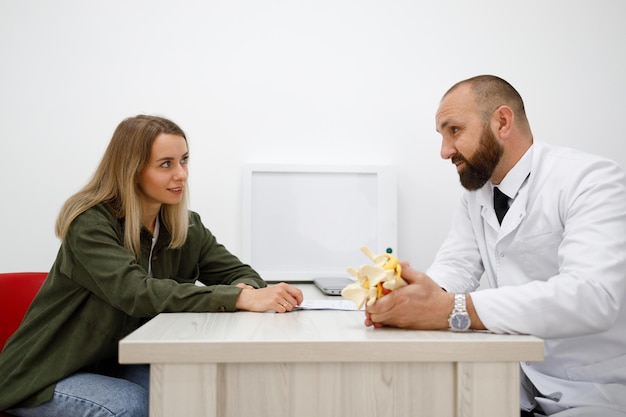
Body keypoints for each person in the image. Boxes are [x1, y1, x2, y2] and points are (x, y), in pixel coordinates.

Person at [0, 115, 304, 417]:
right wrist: (236, 297)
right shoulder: (90, 225)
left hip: (112, 363)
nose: (182, 174)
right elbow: (136, 293)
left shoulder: (185, 226)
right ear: (132, 171)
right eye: (166, 164)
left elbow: (241, 274)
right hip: (45, 375)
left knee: (191, 387)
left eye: (184, 160)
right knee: (130, 404)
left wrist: (246, 290)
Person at [365, 75, 626, 416]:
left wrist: (449, 309)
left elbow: (592, 297)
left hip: (591, 390)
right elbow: (456, 265)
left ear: (502, 122)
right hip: (515, 381)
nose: (445, 151)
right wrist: (412, 296)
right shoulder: (478, 194)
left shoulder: (591, 180)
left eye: (454, 130)